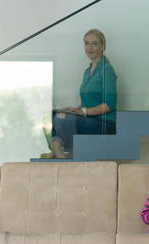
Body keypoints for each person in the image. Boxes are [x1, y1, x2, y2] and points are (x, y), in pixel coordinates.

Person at [42, 29, 117, 158]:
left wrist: (84, 111)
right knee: (48, 116)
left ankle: (60, 152)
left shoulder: (107, 70)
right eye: (87, 43)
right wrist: (74, 110)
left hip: (105, 123)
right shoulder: (87, 72)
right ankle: (57, 149)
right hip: (88, 119)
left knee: (60, 119)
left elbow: (109, 105)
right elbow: (86, 104)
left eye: (94, 44)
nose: (90, 47)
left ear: (103, 46)